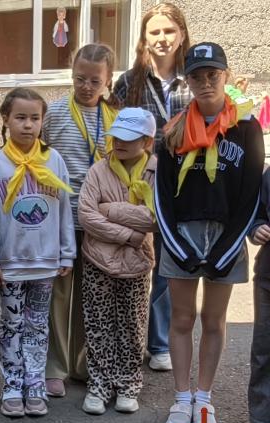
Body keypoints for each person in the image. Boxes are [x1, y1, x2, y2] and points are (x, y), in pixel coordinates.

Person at [156, 43, 263, 423]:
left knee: (213, 320)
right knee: (182, 318)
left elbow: (251, 193)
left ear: (226, 75)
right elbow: (162, 196)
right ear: (187, 80)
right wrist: (177, 246)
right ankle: (182, 398)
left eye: (212, 75)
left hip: (227, 238)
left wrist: (228, 247)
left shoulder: (248, 128)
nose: (205, 83)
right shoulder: (173, 129)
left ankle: (204, 398)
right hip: (182, 235)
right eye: (197, 76)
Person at [0, 89, 74, 417]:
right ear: (5, 119)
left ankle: (34, 382)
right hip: (10, 265)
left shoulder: (54, 161)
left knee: (38, 325)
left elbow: (65, 211)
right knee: (11, 323)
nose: (27, 125)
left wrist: (67, 253)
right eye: (20, 117)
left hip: (45, 262)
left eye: (34, 118)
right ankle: (12, 383)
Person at [113, 2, 192, 372]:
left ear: (181, 34)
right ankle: (127, 338)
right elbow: (114, 133)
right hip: (136, 184)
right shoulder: (128, 82)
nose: (162, 39)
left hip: (183, 184)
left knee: (168, 262)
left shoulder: (195, 77)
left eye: (168, 31)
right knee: (134, 257)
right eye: (154, 32)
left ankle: (159, 341)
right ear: (144, 38)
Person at [41, 43, 121, 398]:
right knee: (58, 295)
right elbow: (40, 162)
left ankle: (82, 362)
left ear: (108, 81)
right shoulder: (55, 113)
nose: (86, 87)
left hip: (98, 223)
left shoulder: (116, 120)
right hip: (61, 219)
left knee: (91, 297)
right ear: (70, 75)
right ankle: (54, 366)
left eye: (94, 80)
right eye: (79, 79)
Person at [77, 108, 158, 415]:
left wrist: (110, 209)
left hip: (137, 263)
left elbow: (155, 217)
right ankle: (99, 383)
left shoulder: (155, 171)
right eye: (116, 137)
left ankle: (128, 383)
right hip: (98, 259)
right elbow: (86, 215)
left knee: (132, 324)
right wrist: (130, 235)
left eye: (129, 138)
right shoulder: (98, 170)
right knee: (98, 324)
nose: (119, 143)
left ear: (147, 140)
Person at [244, 166, 270, 423]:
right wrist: (257, 228)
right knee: (263, 351)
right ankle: (262, 421)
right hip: (268, 277)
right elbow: (258, 213)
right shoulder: (268, 175)